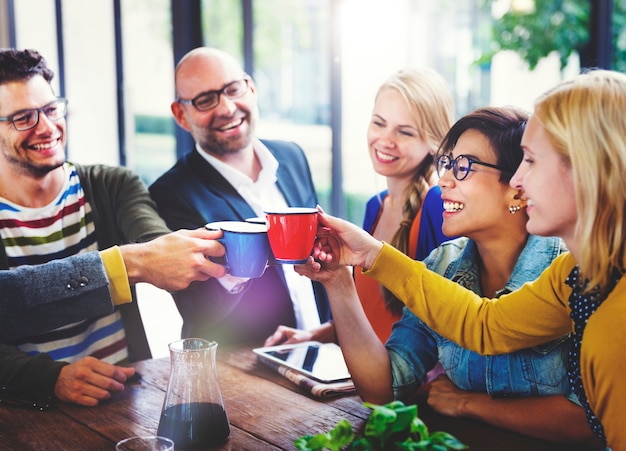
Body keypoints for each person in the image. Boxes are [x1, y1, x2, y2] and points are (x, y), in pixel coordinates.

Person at [303, 70, 626, 449]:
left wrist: (469, 404)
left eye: (531, 160)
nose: (520, 178)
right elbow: (484, 325)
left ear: (587, 168)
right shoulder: (573, 274)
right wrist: (348, 271)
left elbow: (591, 424)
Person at [0, 48, 226, 407]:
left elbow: (154, 240)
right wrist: (51, 378)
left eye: (50, 109)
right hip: (28, 415)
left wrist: (186, 253)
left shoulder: (112, 184)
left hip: (123, 398)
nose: (46, 127)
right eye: (23, 118)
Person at [149, 47, 331, 345]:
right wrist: (238, 266)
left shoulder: (292, 156)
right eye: (206, 100)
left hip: (318, 355)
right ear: (181, 115)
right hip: (242, 374)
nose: (226, 108)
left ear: (252, 88)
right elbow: (197, 310)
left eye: (233, 89)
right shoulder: (170, 194)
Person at [266, 67, 455, 346]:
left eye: (404, 132)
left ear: (433, 142)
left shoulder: (438, 206)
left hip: (413, 385)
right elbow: (372, 318)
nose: (385, 141)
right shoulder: (375, 207)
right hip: (370, 377)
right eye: (379, 123)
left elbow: (453, 319)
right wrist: (312, 337)